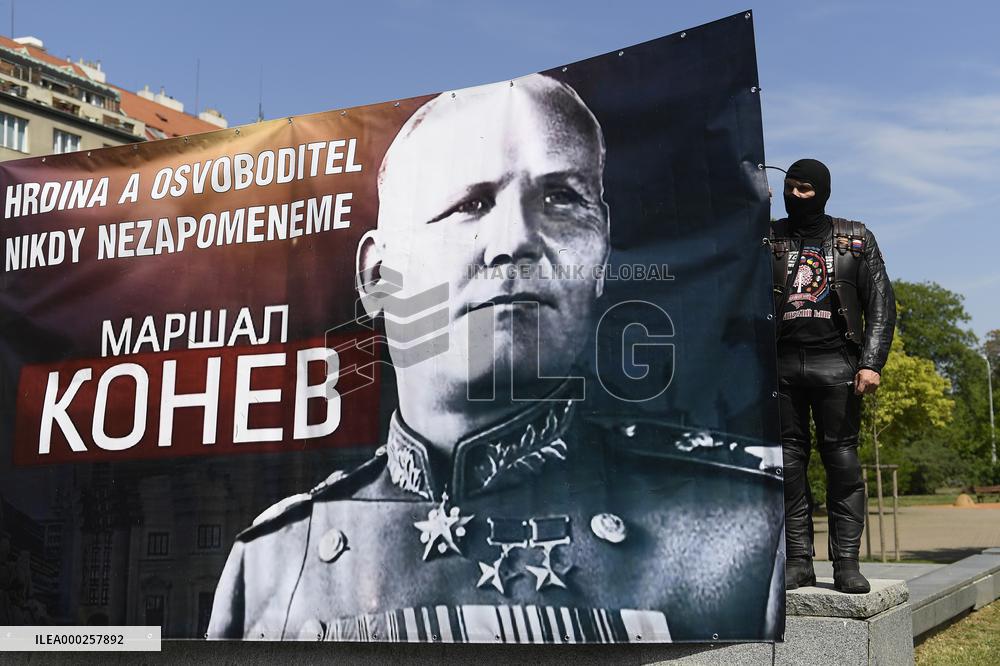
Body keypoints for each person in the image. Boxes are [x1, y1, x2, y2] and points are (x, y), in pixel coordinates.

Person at [208, 74, 784, 642]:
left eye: (561, 198)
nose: (516, 239)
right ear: (377, 277)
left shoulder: (745, 530)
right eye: (470, 204)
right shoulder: (273, 562)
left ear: (603, 250)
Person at [770, 158, 896, 594]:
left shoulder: (856, 238)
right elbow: (724, 266)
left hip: (838, 364)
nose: (796, 195)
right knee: (787, 465)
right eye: (791, 187)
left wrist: (872, 361)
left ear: (822, 191)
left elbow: (881, 302)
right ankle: (799, 561)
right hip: (781, 365)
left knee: (842, 463)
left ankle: (846, 563)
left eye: (805, 189)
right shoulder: (767, 236)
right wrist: (746, 211)